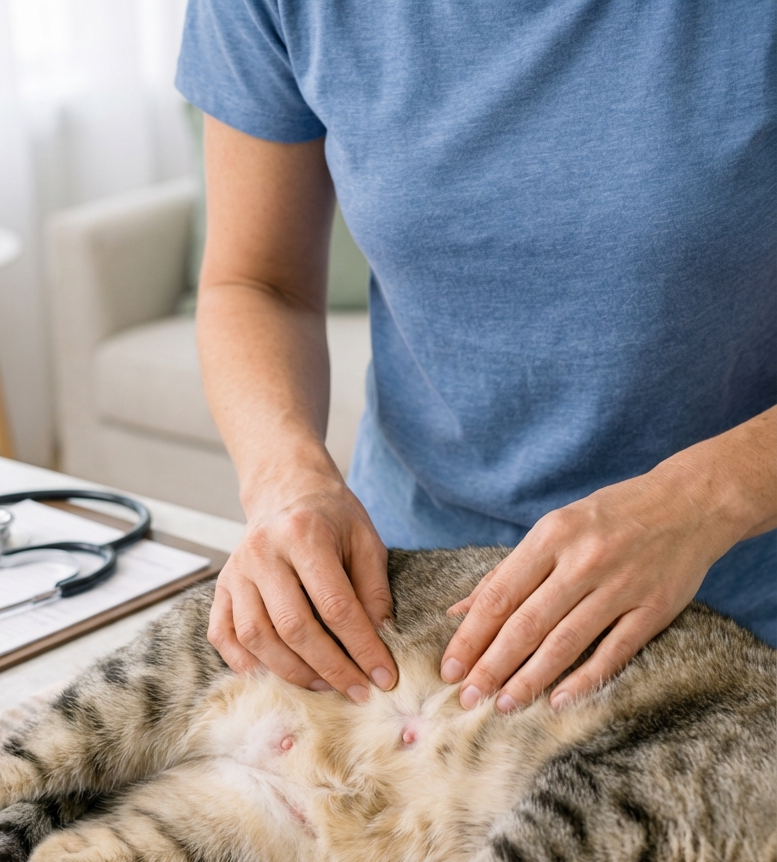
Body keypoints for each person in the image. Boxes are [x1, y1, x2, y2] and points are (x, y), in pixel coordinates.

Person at [176, 0, 776, 712]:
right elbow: (256, 282)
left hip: (733, 619)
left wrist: (702, 500)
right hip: (410, 601)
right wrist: (285, 480)